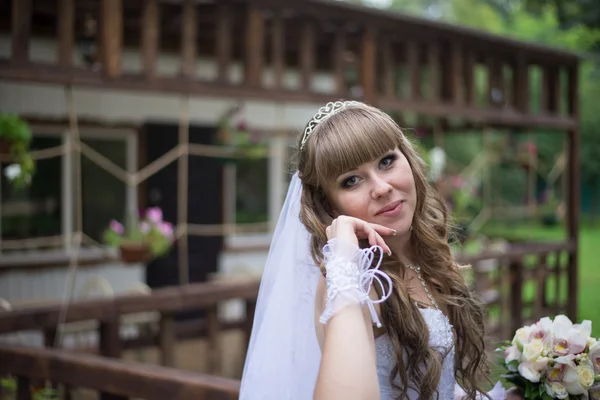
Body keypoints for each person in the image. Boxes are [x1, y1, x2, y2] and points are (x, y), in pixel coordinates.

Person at [239, 101, 511, 399]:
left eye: (386, 161)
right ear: (330, 205)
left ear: (407, 159)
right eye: (351, 180)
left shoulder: (426, 256)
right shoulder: (353, 281)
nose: (381, 187)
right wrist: (343, 256)